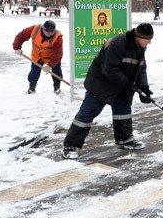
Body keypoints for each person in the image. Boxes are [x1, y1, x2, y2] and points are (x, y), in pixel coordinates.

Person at [62, 23, 154, 160]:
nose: (150, 42)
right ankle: (70, 146)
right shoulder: (117, 43)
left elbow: (141, 68)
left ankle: (125, 140)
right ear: (139, 37)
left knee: (123, 112)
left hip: (121, 86)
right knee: (86, 115)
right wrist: (128, 83)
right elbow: (108, 69)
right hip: (100, 84)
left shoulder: (140, 47)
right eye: (148, 39)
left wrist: (144, 87)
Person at [12, 20, 63, 95]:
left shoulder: (57, 37)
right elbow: (21, 36)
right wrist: (17, 47)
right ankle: (31, 89)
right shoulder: (34, 29)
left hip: (52, 56)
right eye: (47, 31)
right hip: (37, 55)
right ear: (43, 29)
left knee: (57, 71)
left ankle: (57, 88)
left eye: (52, 32)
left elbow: (58, 54)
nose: (49, 34)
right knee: (34, 72)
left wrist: (50, 66)